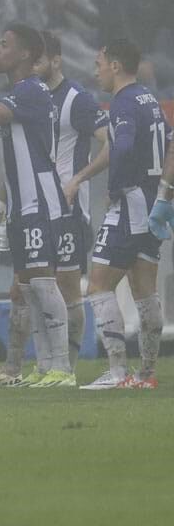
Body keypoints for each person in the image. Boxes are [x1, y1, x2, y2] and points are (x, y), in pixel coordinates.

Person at [0, 24, 76, 388]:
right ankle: (44, 367)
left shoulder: (29, 90)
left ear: (26, 54)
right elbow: (15, 156)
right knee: (26, 289)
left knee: (43, 284)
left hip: (39, 201)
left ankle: (63, 368)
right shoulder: (18, 92)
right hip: (21, 204)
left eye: (4, 43)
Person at [79, 39, 168, 390]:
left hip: (130, 202)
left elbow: (124, 145)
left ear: (115, 65)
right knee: (145, 289)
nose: (95, 69)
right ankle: (146, 375)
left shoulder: (124, 102)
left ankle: (117, 372)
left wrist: (114, 188)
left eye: (99, 62)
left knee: (99, 284)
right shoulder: (150, 99)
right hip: (154, 202)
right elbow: (171, 143)